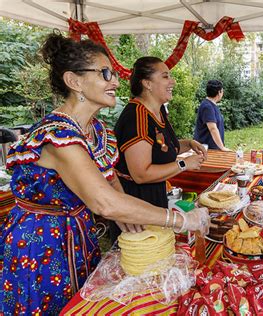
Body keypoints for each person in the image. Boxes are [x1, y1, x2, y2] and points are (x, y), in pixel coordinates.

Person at [0, 34, 210, 315]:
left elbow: (110, 180)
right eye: (105, 73)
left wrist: (124, 216)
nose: (115, 82)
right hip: (41, 242)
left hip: (79, 233)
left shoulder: (97, 130)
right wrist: (181, 219)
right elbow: (104, 202)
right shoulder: (58, 135)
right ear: (74, 82)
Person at [112, 56, 208, 242]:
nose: (172, 81)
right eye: (165, 76)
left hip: (155, 195)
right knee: (142, 256)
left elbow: (161, 148)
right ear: (147, 83)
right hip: (136, 200)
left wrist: (187, 144)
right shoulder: (136, 117)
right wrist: (183, 164)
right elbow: (140, 174)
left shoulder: (158, 110)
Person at [193, 80, 231, 151]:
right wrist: (222, 147)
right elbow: (212, 128)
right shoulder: (207, 107)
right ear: (219, 92)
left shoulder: (212, 105)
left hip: (213, 148)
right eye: (222, 91)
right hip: (206, 150)